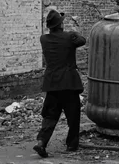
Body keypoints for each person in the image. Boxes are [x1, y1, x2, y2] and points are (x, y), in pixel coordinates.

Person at [33, 9, 86, 158]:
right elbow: (82, 40)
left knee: (50, 115)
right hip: (69, 83)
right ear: (61, 25)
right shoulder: (70, 37)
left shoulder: (43, 39)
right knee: (73, 116)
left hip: (52, 83)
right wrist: (74, 32)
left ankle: (41, 142)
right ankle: (71, 145)